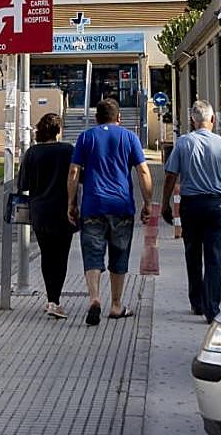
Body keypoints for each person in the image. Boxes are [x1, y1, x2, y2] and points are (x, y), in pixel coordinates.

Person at [68, 98, 153, 326]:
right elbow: (143, 171)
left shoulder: (86, 137)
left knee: (92, 255)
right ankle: (116, 305)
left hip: (93, 206)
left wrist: (71, 203)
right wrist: (148, 202)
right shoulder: (129, 137)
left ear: (97, 118)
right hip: (121, 206)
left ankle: (94, 298)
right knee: (119, 254)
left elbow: (74, 171)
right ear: (119, 118)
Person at [161, 100, 221, 324]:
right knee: (214, 258)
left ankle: (196, 302)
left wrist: (165, 204)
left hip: (191, 206)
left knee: (192, 254)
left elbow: (170, 175)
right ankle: (212, 307)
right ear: (213, 120)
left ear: (192, 121)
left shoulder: (183, 143)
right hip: (216, 206)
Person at [17, 112, 75, 319]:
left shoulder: (32, 153)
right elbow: (78, 177)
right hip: (64, 211)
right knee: (61, 257)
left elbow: (22, 184)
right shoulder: (68, 151)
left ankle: (52, 300)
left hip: (39, 212)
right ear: (58, 130)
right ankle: (55, 300)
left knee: (47, 256)